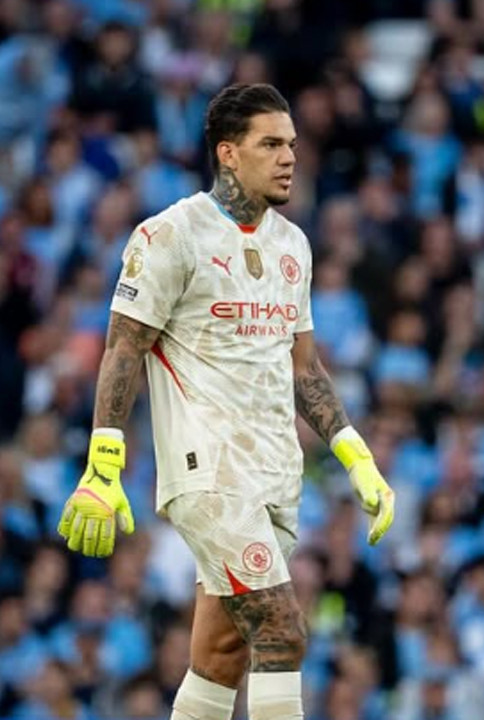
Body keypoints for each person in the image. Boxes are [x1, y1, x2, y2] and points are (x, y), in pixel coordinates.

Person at [54, 83, 396, 720]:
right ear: (228, 153)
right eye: (271, 145)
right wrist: (104, 459)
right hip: (209, 473)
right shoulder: (171, 235)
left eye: (291, 144)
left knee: (221, 653)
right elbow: (124, 347)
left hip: (274, 475)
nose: (289, 157)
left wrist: (356, 456)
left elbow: (304, 367)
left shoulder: (293, 245)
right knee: (282, 630)